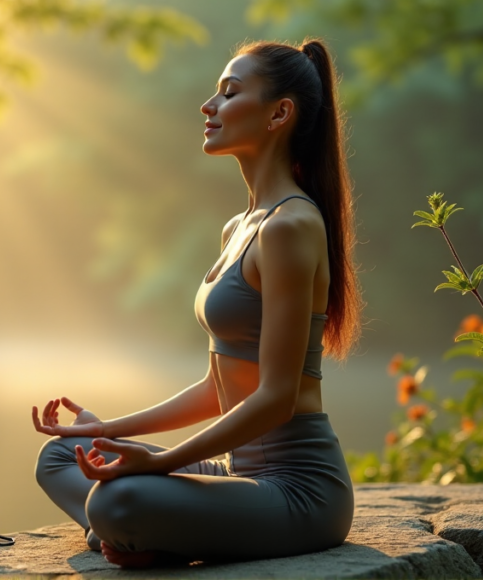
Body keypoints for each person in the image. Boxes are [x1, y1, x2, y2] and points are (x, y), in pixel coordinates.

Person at [31, 38, 362, 569]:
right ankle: (134, 536)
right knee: (58, 456)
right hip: (238, 477)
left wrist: (159, 466)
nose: (209, 106)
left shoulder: (291, 226)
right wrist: (106, 431)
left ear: (279, 113)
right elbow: (218, 387)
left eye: (229, 93)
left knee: (118, 500)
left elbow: (277, 398)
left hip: (298, 492)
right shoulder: (240, 227)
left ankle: (128, 531)